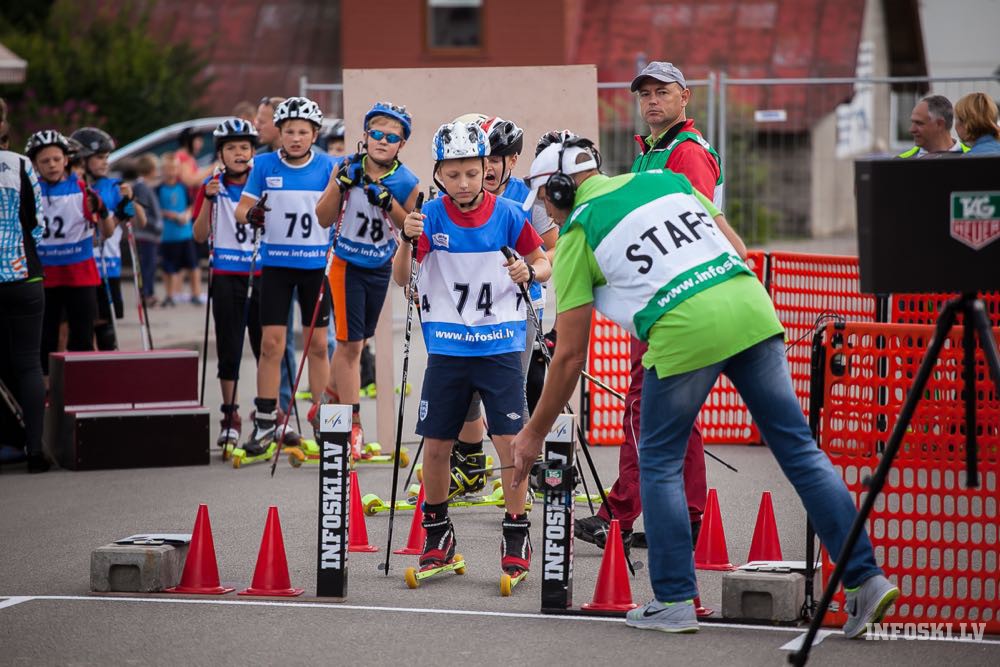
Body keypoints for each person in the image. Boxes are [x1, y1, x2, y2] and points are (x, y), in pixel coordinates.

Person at [511, 134, 899, 635]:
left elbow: (568, 356)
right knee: (801, 452)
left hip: (683, 329)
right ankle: (865, 578)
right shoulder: (664, 180)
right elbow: (736, 248)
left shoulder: (578, 231)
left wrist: (533, 434)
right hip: (750, 309)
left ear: (562, 188)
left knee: (659, 462)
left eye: (545, 197)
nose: (545, 209)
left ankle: (674, 599)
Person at [394, 119, 550, 580]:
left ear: (486, 169)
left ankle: (516, 530)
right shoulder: (428, 216)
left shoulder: (508, 214)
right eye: (452, 174)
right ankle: (437, 532)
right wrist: (405, 240)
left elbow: (542, 261)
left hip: (499, 345)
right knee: (436, 446)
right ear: (438, 174)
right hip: (448, 349)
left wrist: (529, 272)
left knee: (511, 445)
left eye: (471, 172)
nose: (463, 182)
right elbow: (402, 279)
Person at [576, 61, 720, 553]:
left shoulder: (686, 153)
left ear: (685, 97)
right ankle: (687, 517)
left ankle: (618, 514)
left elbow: (692, 227)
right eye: (645, 94)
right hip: (662, 300)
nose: (652, 101)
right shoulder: (653, 152)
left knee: (645, 408)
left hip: (673, 302)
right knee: (675, 411)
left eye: (662, 92)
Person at [449, 116, 558, 498]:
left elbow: (552, 249)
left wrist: (531, 270)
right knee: (464, 389)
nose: (489, 167)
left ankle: (524, 471)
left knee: (513, 390)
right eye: (484, 159)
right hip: (470, 308)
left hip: (519, 306)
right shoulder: (463, 197)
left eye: (497, 159)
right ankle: (470, 465)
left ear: (512, 161)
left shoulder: (527, 198)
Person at [313, 101, 419, 458]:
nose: (382, 141)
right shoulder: (346, 166)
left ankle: (326, 403)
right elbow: (323, 217)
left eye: (392, 137)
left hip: (380, 266)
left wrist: (389, 202)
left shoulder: (406, 181)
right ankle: (352, 424)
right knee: (350, 346)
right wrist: (339, 186)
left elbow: (410, 228)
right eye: (377, 134)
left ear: (401, 143)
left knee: (357, 342)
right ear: (365, 135)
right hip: (346, 265)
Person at [234, 96, 334, 461]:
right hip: (276, 265)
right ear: (279, 133)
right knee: (271, 345)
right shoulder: (263, 165)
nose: (295, 138)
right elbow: (242, 208)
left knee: (318, 345)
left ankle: (324, 421)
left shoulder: (329, 166)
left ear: (314, 135)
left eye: (302, 132)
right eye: (289, 131)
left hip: (315, 267)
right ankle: (265, 421)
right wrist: (252, 215)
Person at [193, 119, 262, 452]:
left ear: (252, 152)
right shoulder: (212, 186)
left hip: (261, 274)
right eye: (231, 148)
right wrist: (208, 199)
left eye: (244, 147)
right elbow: (198, 235)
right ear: (220, 153)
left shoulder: (262, 183)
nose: (238, 153)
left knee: (267, 348)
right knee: (229, 348)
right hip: (225, 275)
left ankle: (268, 412)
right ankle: (230, 415)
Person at [25, 130, 115, 379]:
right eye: (45, 161)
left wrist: (102, 211)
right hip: (46, 277)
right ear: (35, 164)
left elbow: (107, 232)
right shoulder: (30, 193)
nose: (52, 165)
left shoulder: (82, 190)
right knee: (45, 337)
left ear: (66, 160)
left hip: (80, 275)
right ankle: (45, 387)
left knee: (82, 337)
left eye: (56, 159)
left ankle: (82, 385)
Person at [0, 98, 49, 472]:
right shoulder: (20, 164)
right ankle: (35, 450)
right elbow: (38, 224)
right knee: (29, 363)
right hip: (24, 273)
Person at [70, 127, 146, 351]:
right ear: (82, 160)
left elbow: (141, 221)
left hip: (108, 266)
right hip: (82, 266)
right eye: (99, 158)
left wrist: (130, 200)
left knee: (105, 330)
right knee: (81, 329)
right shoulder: (73, 187)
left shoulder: (113, 186)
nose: (105, 162)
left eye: (107, 157)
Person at [157, 152, 202, 306]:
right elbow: (157, 210)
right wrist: (172, 215)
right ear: (162, 170)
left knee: (193, 265)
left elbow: (191, 205)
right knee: (168, 268)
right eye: (168, 169)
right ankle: (170, 295)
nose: (171, 172)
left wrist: (187, 215)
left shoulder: (183, 187)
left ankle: (195, 294)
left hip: (185, 234)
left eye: (174, 168)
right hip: (167, 236)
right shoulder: (159, 189)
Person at [128, 154, 164, 307]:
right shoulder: (141, 187)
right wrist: (156, 225)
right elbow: (142, 212)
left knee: (151, 266)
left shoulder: (145, 186)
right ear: (150, 170)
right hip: (145, 235)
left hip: (150, 235)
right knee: (146, 267)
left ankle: (149, 293)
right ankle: (146, 294)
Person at [898, 95, 969, 158]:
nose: (912, 130)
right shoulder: (900, 162)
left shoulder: (972, 158)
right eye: (912, 123)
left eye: (919, 123)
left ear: (940, 124)